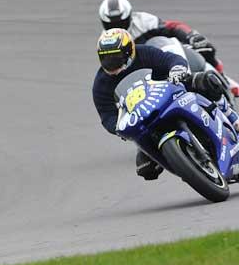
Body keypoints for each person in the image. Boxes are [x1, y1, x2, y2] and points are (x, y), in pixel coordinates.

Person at [92, 28, 239, 181]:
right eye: (106, 58)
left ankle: (233, 118)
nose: (111, 63)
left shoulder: (144, 53)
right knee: (145, 169)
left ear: (129, 51)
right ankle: (191, 169)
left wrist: (176, 69)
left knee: (207, 81)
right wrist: (118, 128)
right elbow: (106, 114)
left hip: (171, 91)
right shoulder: (101, 83)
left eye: (115, 57)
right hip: (144, 118)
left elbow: (169, 59)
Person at [97, 0, 238, 97]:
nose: (116, 28)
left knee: (204, 48)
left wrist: (190, 36)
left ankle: (224, 79)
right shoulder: (107, 42)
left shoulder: (143, 21)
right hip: (143, 75)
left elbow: (172, 27)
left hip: (166, 54)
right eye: (111, 25)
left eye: (120, 23)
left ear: (129, 17)